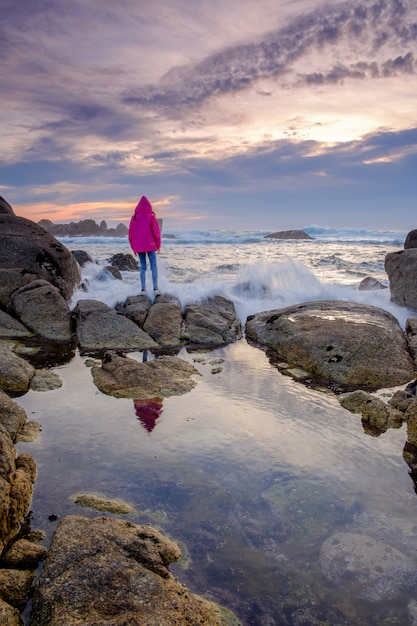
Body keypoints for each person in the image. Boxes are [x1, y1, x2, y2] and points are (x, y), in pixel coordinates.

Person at [128, 195, 161, 292]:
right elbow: (156, 232)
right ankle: (155, 287)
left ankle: (143, 288)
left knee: (143, 267)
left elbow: (131, 234)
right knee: (153, 265)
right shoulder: (151, 217)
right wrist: (158, 245)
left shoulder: (134, 218)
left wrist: (133, 247)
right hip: (150, 245)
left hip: (139, 246)